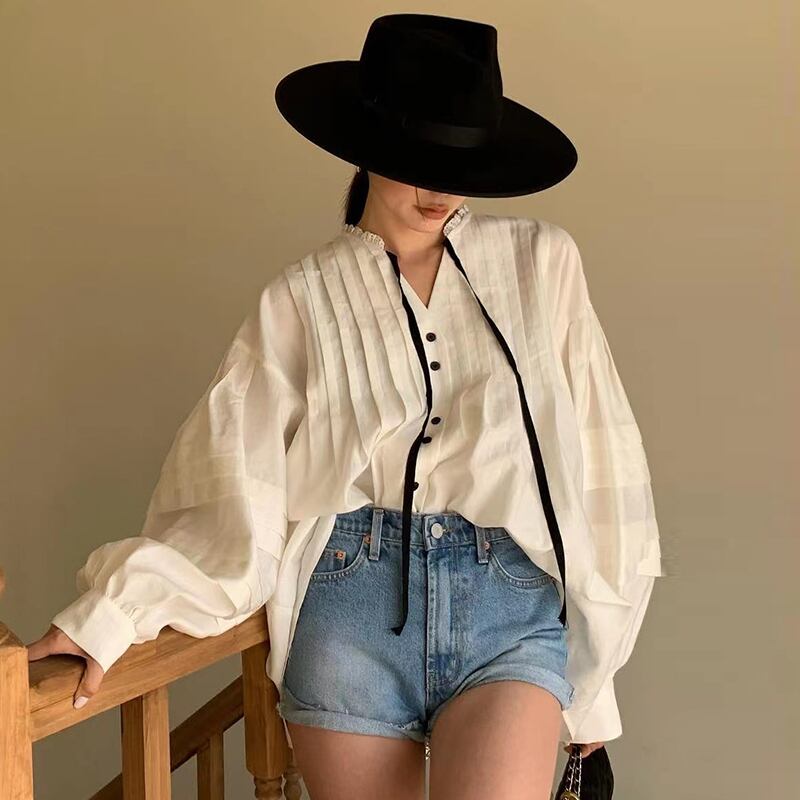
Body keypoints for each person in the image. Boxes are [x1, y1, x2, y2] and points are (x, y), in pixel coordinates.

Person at [27, 13, 664, 799]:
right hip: (350, 602)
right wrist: (112, 614)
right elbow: (232, 494)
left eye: (459, 163)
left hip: (504, 603)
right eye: (417, 162)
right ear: (367, 147)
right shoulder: (299, 301)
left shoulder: (543, 264)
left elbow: (604, 465)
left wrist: (596, 677)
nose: (440, 190)